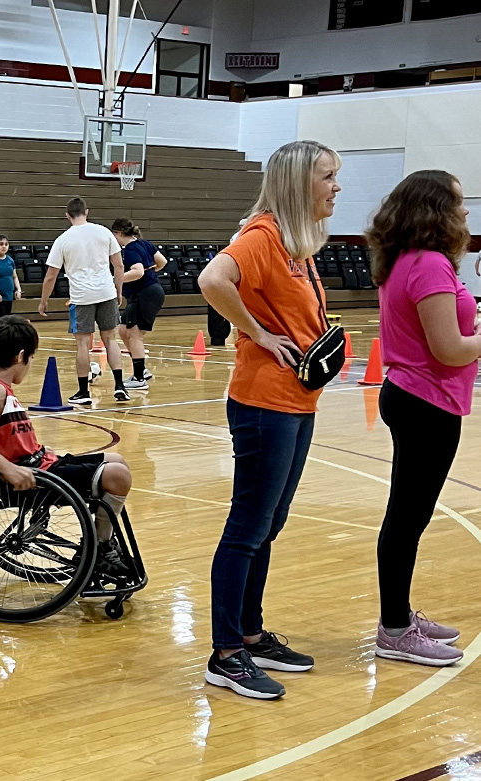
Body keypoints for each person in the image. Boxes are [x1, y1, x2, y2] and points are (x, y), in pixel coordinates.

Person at [197, 139, 342, 700]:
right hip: (263, 402)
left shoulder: (295, 243)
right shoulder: (261, 236)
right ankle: (226, 653)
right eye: (327, 176)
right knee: (248, 527)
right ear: (297, 181)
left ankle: (251, 634)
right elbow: (214, 280)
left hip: (295, 400)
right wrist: (257, 333)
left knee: (270, 523)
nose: (335, 187)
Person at [367, 171, 477, 667]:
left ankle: (399, 616)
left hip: (417, 398)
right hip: (425, 402)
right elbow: (450, 350)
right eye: (458, 203)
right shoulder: (430, 264)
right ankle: (394, 630)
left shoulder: (406, 260)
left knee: (408, 515)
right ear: (436, 211)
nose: (466, 212)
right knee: (408, 518)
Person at [0, 316, 135, 577]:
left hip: (41, 464)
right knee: (118, 476)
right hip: (31, 477)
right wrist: (7, 468)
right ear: (20, 357)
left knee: (116, 460)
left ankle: (98, 539)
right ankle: (100, 547)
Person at [37, 198, 130, 405]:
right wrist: (118, 290)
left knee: (82, 344)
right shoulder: (104, 232)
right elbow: (119, 265)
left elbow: (51, 274)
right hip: (106, 292)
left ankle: (83, 392)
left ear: (67, 215)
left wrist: (44, 300)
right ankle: (120, 386)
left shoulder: (62, 239)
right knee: (110, 339)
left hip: (81, 296)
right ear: (86, 212)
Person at [110, 218, 167, 390]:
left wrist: (115, 280)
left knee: (134, 334)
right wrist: (150, 271)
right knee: (123, 330)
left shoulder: (131, 249)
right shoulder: (145, 244)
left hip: (145, 293)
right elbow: (162, 262)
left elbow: (138, 271)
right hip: (147, 292)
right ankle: (142, 370)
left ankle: (139, 377)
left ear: (119, 234)